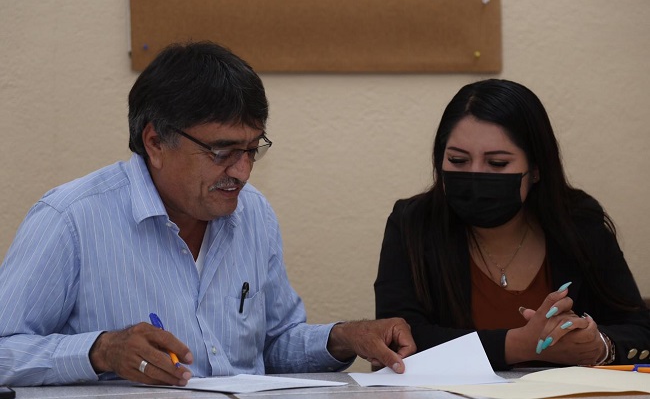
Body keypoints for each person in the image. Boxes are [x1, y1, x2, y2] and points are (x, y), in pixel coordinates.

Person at [0, 41, 415, 387]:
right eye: (222, 152)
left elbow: (273, 345)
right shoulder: (71, 218)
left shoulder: (253, 213)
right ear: (155, 142)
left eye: (252, 149)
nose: (242, 171)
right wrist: (101, 351)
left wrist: (343, 337)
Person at [374, 79, 650, 370]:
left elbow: (640, 329)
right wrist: (518, 345)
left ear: (535, 169)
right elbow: (397, 339)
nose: (475, 175)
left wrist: (599, 345)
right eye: (457, 160)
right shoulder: (413, 224)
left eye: (497, 164)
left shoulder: (578, 221)